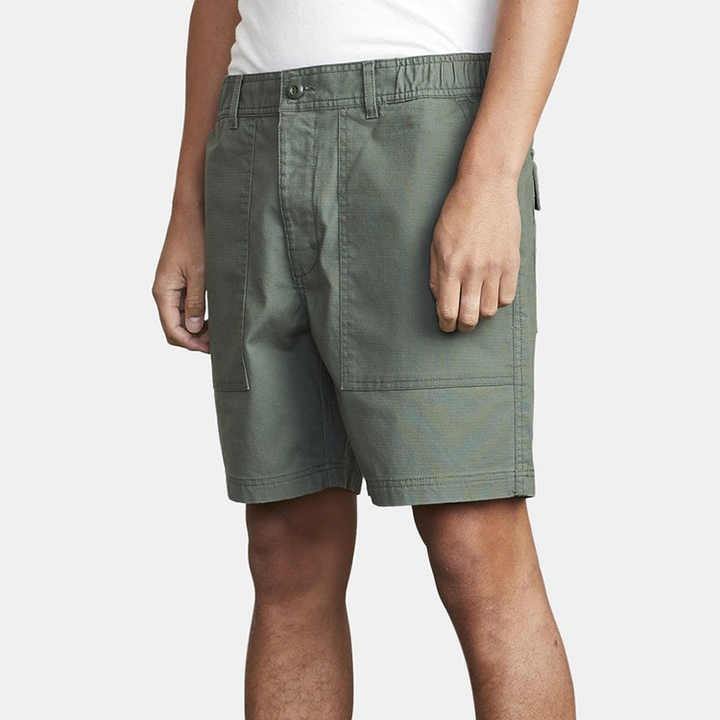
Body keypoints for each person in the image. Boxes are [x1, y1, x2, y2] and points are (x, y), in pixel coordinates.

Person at [153, 1, 578, 717]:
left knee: (472, 539)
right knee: (286, 543)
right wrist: (187, 206)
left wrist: (490, 178)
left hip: (425, 137)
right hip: (254, 129)